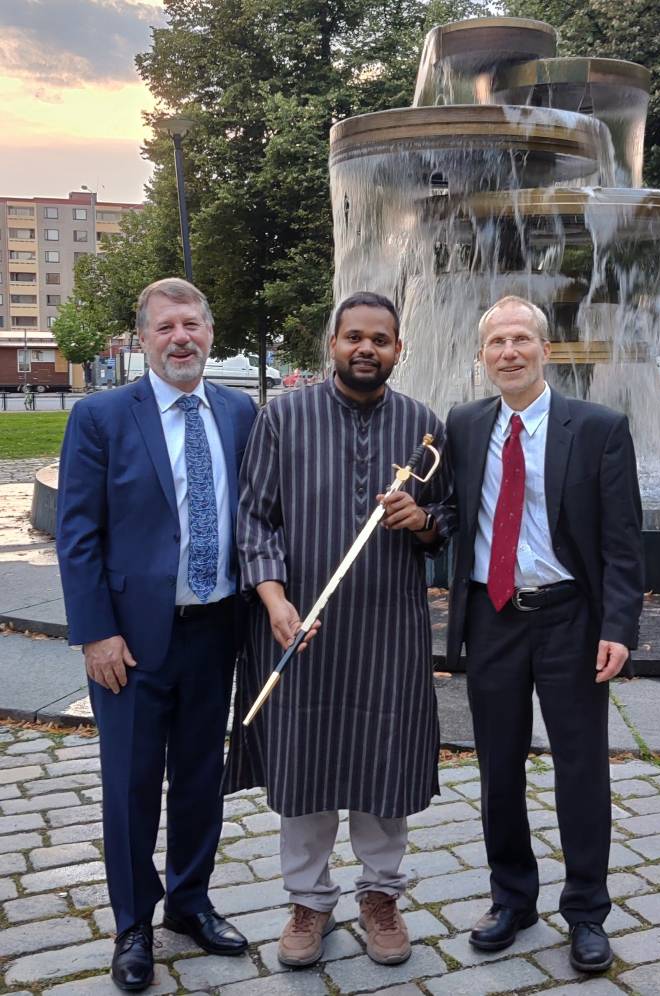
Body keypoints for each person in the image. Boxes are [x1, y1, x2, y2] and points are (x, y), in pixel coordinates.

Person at [225, 291, 453, 969]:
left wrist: (423, 521)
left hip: (389, 629)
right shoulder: (283, 417)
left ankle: (380, 896)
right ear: (333, 344)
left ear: (398, 349)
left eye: (380, 339)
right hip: (301, 627)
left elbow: (449, 517)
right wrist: (273, 600)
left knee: (384, 759)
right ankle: (308, 901)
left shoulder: (423, 426)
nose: (366, 349)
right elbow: (254, 519)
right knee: (306, 762)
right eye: (354, 336)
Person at [56, 278, 256, 992]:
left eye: (192, 325)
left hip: (216, 629)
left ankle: (190, 902)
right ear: (142, 339)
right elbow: (78, 534)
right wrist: (96, 633)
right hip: (131, 643)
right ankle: (133, 922)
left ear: (210, 333)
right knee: (131, 784)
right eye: (166, 327)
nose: (181, 338)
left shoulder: (239, 412)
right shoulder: (102, 416)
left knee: (201, 777)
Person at [445, 295, 643, 973]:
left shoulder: (599, 428)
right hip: (492, 616)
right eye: (496, 342)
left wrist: (618, 625)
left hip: (570, 619)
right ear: (482, 356)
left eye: (521, 339)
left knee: (580, 768)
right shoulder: (465, 425)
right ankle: (512, 900)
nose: (509, 352)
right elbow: (452, 514)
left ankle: (586, 911)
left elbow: (622, 540)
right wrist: (419, 518)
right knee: (498, 767)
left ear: (545, 350)